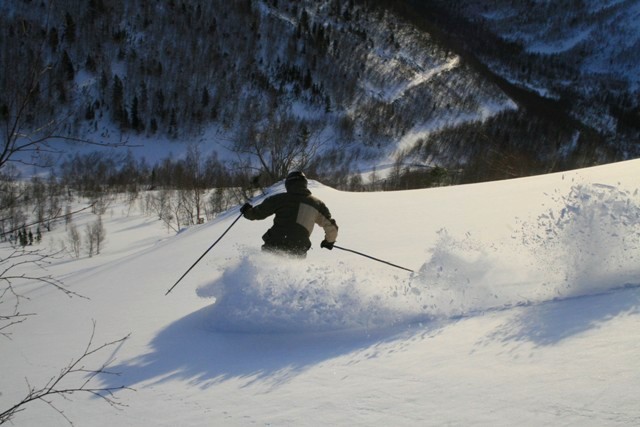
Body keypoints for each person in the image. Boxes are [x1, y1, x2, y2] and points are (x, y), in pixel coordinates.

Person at [240, 171, 338, 257]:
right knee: (290, 275)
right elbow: (331, 227)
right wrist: (329, 241)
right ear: (304, 184)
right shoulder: (317, 204)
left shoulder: (279, 199)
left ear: (288, 184)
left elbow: (257, 214)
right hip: (298, 248)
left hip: (275, 245)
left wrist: (247, 211)